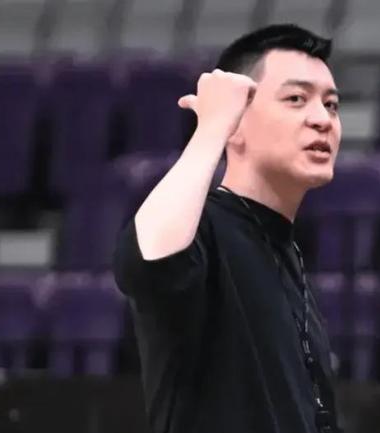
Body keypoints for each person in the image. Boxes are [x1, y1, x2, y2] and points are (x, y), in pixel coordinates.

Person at [112, 23, 343, 433]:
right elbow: (145, 264)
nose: (322, 119)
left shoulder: (288, 252)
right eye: (296, 99)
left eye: (331, 104)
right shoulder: (205, 227)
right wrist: (211, 129)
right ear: (236, 123)